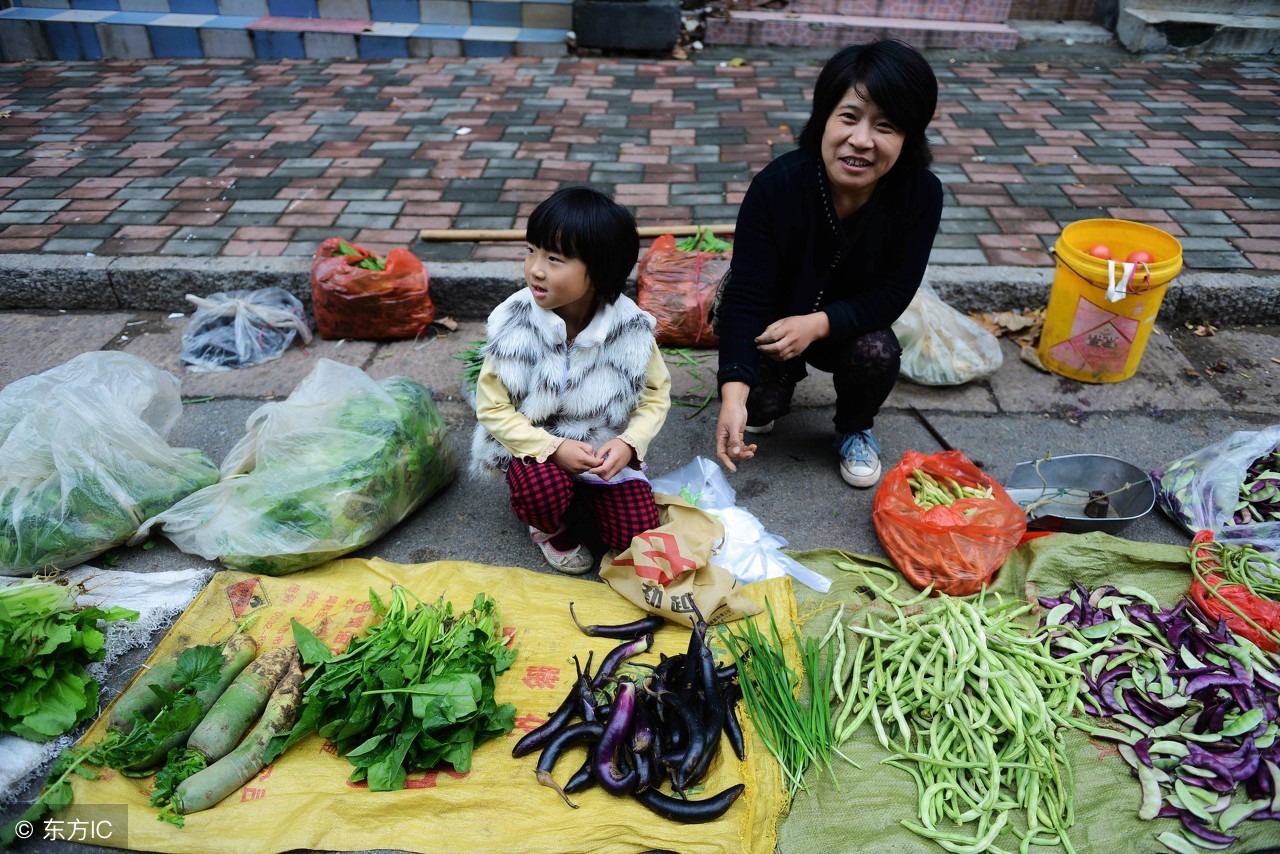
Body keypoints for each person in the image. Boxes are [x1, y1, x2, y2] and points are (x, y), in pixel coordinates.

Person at [713, 39, 943, 488]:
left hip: (848, 329)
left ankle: (854, 427)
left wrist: (818, 324)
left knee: (877, 351)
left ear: (908, 138)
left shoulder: (920, 194)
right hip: (773, 325)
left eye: (887, 126)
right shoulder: (775, 187)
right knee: (754, 406)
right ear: (824, 118)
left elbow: (894, 293)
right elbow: (745, 295)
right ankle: (767, 392)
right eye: (849, 117)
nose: (862, 140)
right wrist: (733, 392)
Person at [470, 186, 672, 574]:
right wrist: (552, 447)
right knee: (542, 490)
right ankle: (545, 525)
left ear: (599, 270)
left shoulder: (630, 328)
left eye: (554, 258)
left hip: (599, 448)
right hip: (533, 444)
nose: (535, 268)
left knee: (634, 535)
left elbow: (655, 396)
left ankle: (586, 497)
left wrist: (629, 443)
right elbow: (492, 408)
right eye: (530, 251)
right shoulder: (513, 325)